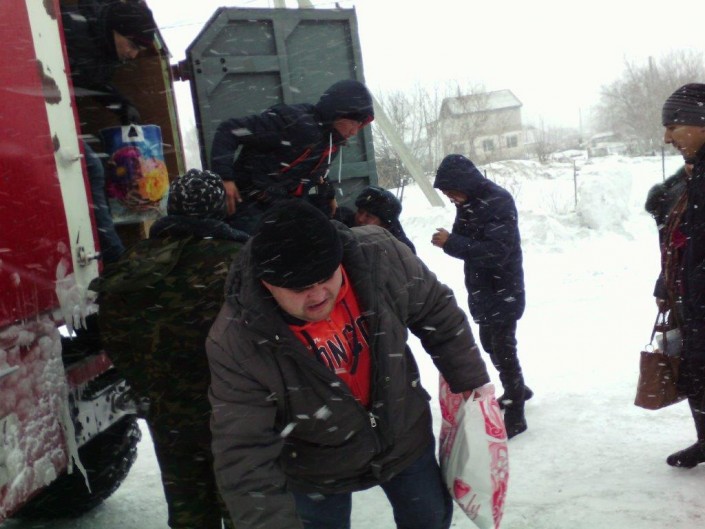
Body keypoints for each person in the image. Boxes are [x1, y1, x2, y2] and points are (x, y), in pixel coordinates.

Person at [206, 200, 491, 529]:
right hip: (315, 465)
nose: (318, 295)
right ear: (267, 283)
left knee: (429, 518)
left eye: (326, 277)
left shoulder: (379, 256)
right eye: (299, 288)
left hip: (403, 436)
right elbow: (244, 453)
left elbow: (436, 310)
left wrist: (470, 382)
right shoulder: (236, 340)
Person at [89, 169, 248, 528]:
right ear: (219, 208)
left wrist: (151, 383)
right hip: (235, 413)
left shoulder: (136, 262)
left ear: (172, 206)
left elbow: (112, 331)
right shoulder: (242, 261)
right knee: (246, 511)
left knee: (188, 510)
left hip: (170, 414)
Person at [431, 154, 531, 439]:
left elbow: (496, 252)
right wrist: (453, 242)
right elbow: (466, 242)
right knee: (490, 343)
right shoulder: (467, 204)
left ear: (464, 184)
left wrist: (452, 242)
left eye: (451, 192)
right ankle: (518, 388)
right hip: (482, 288)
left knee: (504, 349)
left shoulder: (498, 201)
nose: (450, 198)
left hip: (504, 288)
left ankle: (516, 412)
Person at [209, 79, 374, 233]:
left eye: (359, 125)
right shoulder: (294, 123)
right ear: (336, 112)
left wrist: (330, 196)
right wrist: (225, 178)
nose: (355, 131)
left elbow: (317, 172)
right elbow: (229, 130)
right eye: (353, 123)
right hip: (246, 203)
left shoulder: (332, 142)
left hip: (281, 208)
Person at [61, 0, 158, 263]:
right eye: (133, 45)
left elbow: (91, 79)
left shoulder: (104, 39)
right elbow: (81, 76)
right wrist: (119, 102)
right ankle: (113, 257)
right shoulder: (76, 32)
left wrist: (121, 105)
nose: (133, 55)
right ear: (116, 30)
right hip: (32, 110)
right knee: (91, 167)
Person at [658, 83, 705, 468]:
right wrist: (667, 283)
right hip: (693, 299)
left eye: (674, 127)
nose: (667, 138)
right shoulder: (697, 174)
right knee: (695, 371)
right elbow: (684, 238)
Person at [644, 164, 691, 309]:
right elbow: (671, 255)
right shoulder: (675, 197)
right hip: (684, 291)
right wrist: (663, 289)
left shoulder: (683, 200)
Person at [336, 185, 416, 253]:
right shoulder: (342, 221)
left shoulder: (400, 249)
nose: (360, 219)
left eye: (368, 216)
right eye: (360, 212)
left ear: (384, 225)